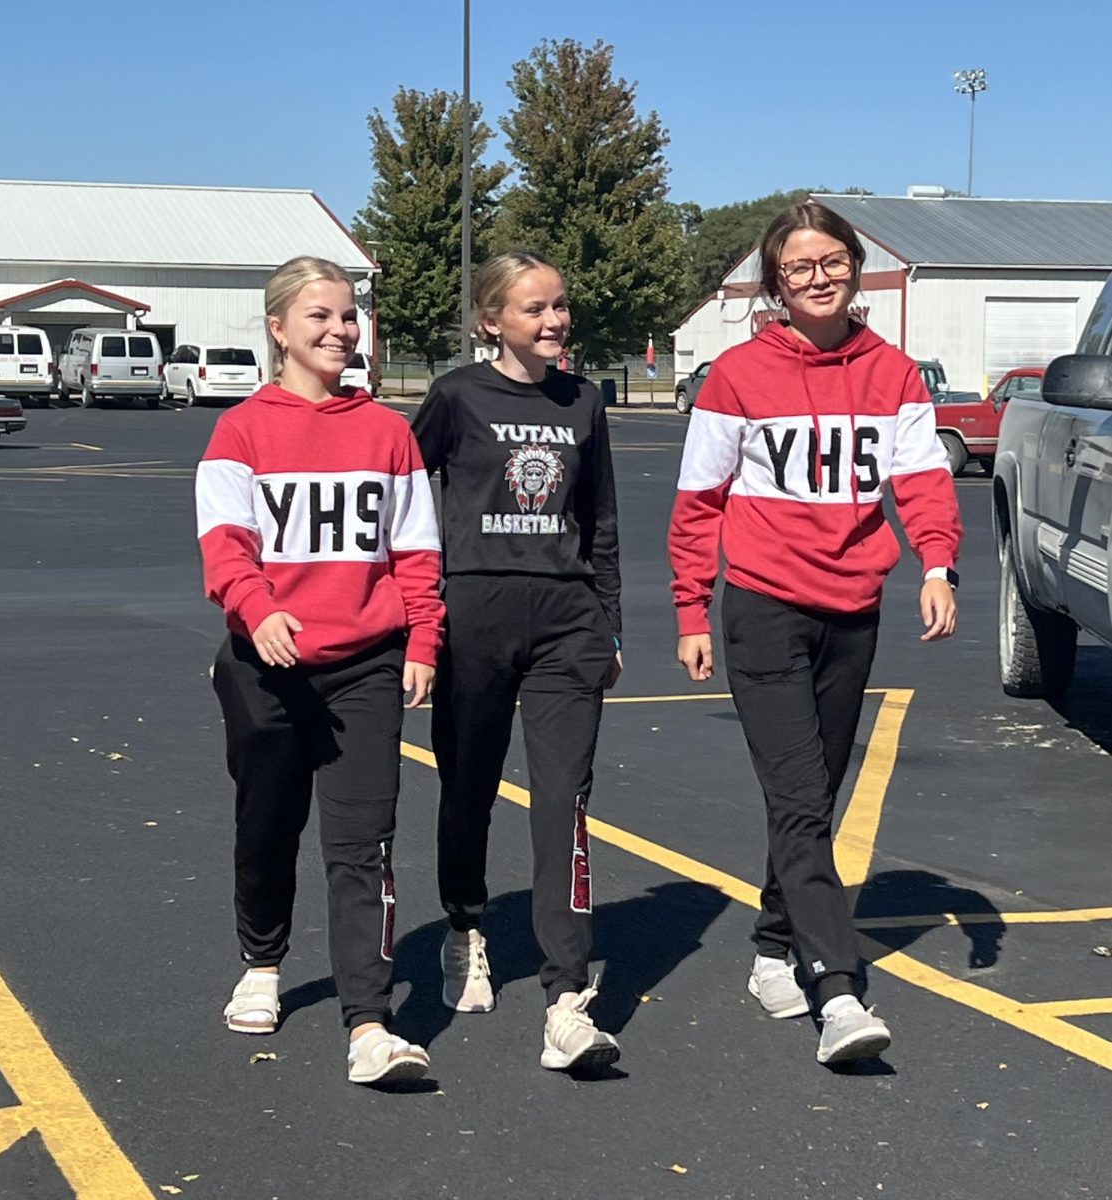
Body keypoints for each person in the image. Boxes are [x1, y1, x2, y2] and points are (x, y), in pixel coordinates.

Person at [667, 202, 961, 1065]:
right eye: (798, 268)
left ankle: (768, 942)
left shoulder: (894, 374)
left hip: (852, 611)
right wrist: (691, 608)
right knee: (798, 797)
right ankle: (836, 988)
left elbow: (921, 485)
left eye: (831, 261)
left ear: (854, 268)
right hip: (762, 607)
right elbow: (697, 503)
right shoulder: (735, 376)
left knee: (816, 793)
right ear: (775, 284)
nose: (818, 277)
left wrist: (935, 565)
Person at [195, 256, 444, 1085]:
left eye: (348, 317)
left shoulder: (387, 432)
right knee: (268, 825)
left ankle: (369, 1023)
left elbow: (414, 551)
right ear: (278, 330)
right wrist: (258, 608)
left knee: (363, 844)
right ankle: (261, 963)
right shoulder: (240, 430)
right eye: (320, 317)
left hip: (366, 667)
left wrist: (421, 642)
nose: (340, 330)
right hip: (267, 666)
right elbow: (225, 545)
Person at [411, 250, 623, 1072]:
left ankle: (566, 992)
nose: (554, 320)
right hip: (474, 619)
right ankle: (464, 926)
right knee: (467, 787)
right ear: (491, 320)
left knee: (562, 800)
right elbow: (396, 489)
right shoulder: (457, 396)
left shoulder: (585, 402)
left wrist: (607, 623)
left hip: (565, 622)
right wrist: (416, 605)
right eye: (535, 309)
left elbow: (599, 518)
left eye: (560, 305)